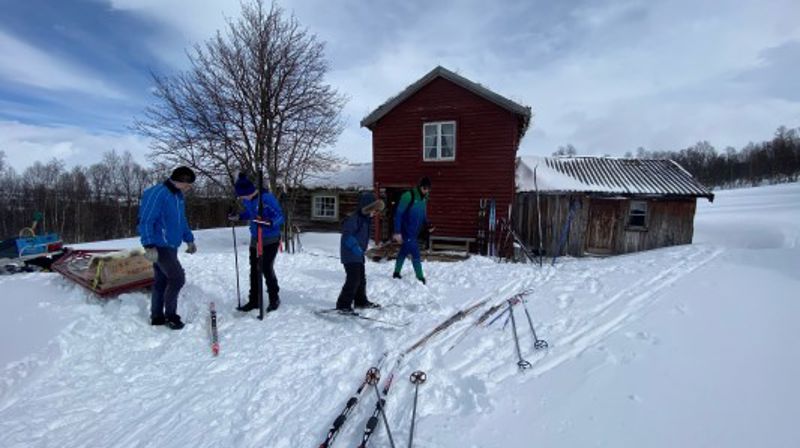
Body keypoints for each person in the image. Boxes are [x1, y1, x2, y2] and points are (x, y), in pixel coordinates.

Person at [138, 166, 197, 330]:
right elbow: (146, 220)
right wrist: (149, 244)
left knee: (161, 280)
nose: (189, 188)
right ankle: (171, 316)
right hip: (159, 245)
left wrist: (189, 239)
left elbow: (181, 220)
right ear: (181, 180)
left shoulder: (178, 196)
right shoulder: (157, 193)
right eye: (188, 184)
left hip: (171, 245)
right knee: (177, 278)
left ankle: (157, 316)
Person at [230, 173, 284, 313]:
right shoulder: (248, 200)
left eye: (241, 195)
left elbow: (280, 217)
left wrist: (269, 222)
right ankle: (254, 300)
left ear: (248, 192)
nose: (240, 198)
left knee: (265, 267)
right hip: (255, 239)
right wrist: (239, 216)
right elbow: (251, 214)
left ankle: (274, 298)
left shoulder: (266, 198)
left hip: (270, 239)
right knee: (254, 270)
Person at [336, 192, 385, 312]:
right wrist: (355, 247)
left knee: (361, 279)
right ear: (367, 208)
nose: (375, 213)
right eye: (374, 210)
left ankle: (360, 301)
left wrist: (361, 249)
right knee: (353, 279)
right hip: (350, 254)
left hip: (358, 255)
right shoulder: (354, 219)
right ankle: (343, 304)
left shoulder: (365, 219)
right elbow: (347, 235)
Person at [392, 176, 432, 284]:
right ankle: (420, 278)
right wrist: (397, 232)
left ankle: (396, 273)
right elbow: (398, 214)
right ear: (420, 187)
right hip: (406, 231)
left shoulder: (424, 198)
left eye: (428, 189)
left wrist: (428, 224)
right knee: (415, 253)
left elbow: (423, 213)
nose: (426, 191)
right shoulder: (408, 196)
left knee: (404, 251)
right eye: (425, 188)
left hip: (415, 232)